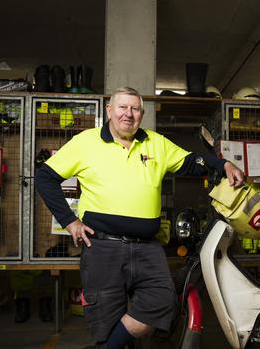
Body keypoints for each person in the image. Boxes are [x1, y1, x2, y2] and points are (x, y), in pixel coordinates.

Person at [35, 86, 244, 349]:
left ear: (141, 114)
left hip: (147, 247)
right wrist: (69, 221)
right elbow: (45, 177)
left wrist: (222, 164)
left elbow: (192, 162)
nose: (128, 114)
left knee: (163, 301)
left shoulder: (155, 143)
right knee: (105, 320)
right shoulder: (85, 142)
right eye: (122, 107)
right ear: (109, 110)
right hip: (102, 247)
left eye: (135, 109)